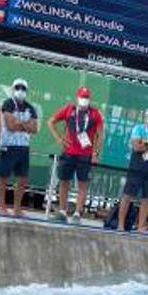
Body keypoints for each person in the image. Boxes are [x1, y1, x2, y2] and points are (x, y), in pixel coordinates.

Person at [47, 87, 103, 224]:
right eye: (82, 97)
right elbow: (50, 122)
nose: (84, 100)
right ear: (77, 97)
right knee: (64, 181)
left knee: (82, 184)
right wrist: (59, 138)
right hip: (68, 152)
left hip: (85, 154)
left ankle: (78, 214)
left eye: (87, 97)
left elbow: (100, 135)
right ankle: (62, 212)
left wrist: (95, 153)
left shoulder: (95, 113)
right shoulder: (69, 109)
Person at [115, 105, 148, 232]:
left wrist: (145, 144)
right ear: (146, 116)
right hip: (137, 166)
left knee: (147, 198)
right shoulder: (138, 128)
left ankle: (140, 226)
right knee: (127, 196)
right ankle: (120, 225)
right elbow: (136, 146)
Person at [0, 78, 37, 216]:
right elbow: (10, 126)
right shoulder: (8, 103)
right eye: (18, 88)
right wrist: (25, 124)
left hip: (23, 146)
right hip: (8, 145)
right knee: (3, 177)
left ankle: (17, 208)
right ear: (13, 89)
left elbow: (34, 129)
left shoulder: (30, 108)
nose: (20, 91)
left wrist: (19, 122)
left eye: (23, 88)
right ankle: (2, 206)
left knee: (23, 178)